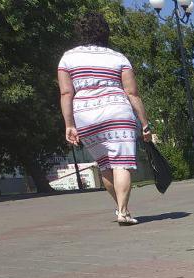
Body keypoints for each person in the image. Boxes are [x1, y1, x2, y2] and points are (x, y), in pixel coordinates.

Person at [58, 11, 152, 225]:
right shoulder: (118, 58)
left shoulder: (67, 58)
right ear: (104, 32)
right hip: (117, 112)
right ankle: (123, 210)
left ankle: (121, 208)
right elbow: (132, 93)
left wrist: (69, 124)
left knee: (105, 165)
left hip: (85, 116)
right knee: (122, 164)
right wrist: (145, 124)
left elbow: (66, 93)